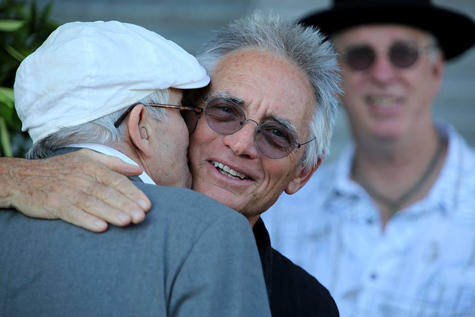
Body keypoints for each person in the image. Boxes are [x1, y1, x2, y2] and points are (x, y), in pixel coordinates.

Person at [0, 13, 342, 316]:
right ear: (190, 114)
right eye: (224, 112)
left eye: (276, 135)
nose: (241, 145)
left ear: (303, 173)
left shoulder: (309, 304)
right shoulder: (24, 191)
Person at [261, 0, 475, 316]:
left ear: (435, 69)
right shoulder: (279, 208)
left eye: (403, 54)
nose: (383, 74)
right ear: (335, 79)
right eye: (360, 57)